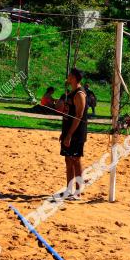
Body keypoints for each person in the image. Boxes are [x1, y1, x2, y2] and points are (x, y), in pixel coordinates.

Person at [59, 67, 88, 201]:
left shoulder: (79, 94)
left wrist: (70, 134)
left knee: (76, 160)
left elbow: (79, 116)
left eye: (70, 75)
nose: (68, 77)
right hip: (68, 131)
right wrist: (64, 133)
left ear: (75, 77)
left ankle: (78, 192)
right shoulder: (71, 92)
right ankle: (68, 190)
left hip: (76, 133)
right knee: (68, 160)